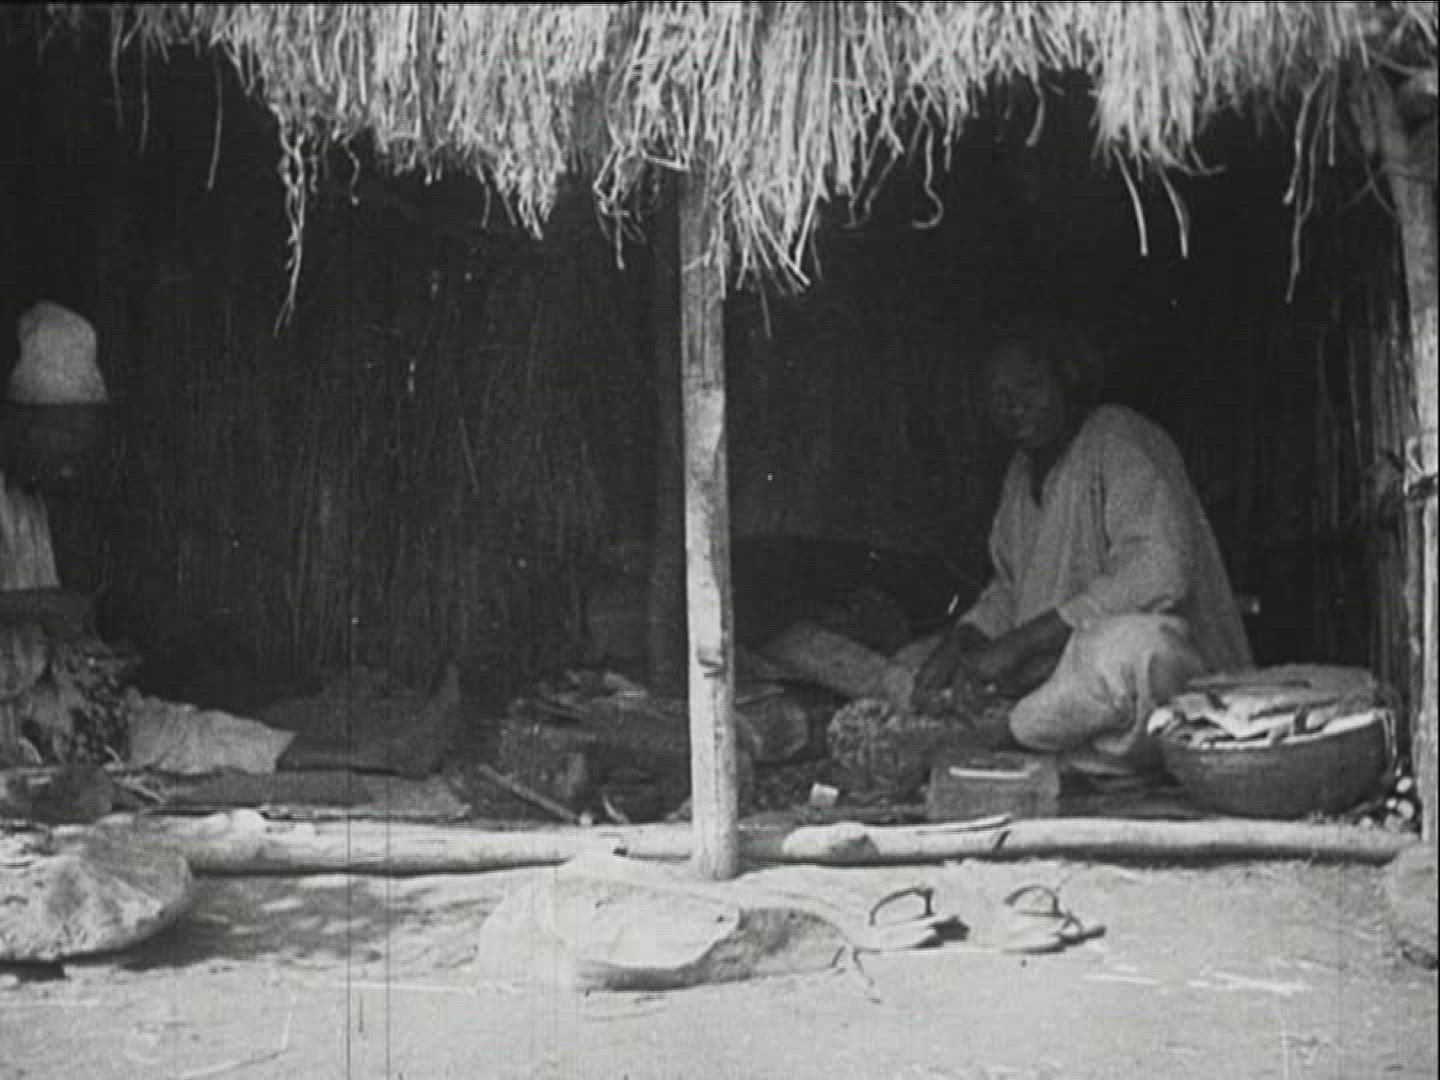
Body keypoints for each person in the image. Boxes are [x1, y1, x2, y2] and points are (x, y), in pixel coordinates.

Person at [893, 321, 1252, 779]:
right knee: (914, 666)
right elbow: (1010, 588)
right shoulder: (1021, 473)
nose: (1013, 406)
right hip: (1067, 686)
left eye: (1030, 386)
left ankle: (1012, 734)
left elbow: (1159, 571)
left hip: (1183, 686)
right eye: (999, 395)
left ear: (1069, 383)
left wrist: (1023, 642)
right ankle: (1043, 738)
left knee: (1136, 650)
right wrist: (964, 638)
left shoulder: (1118, 438)